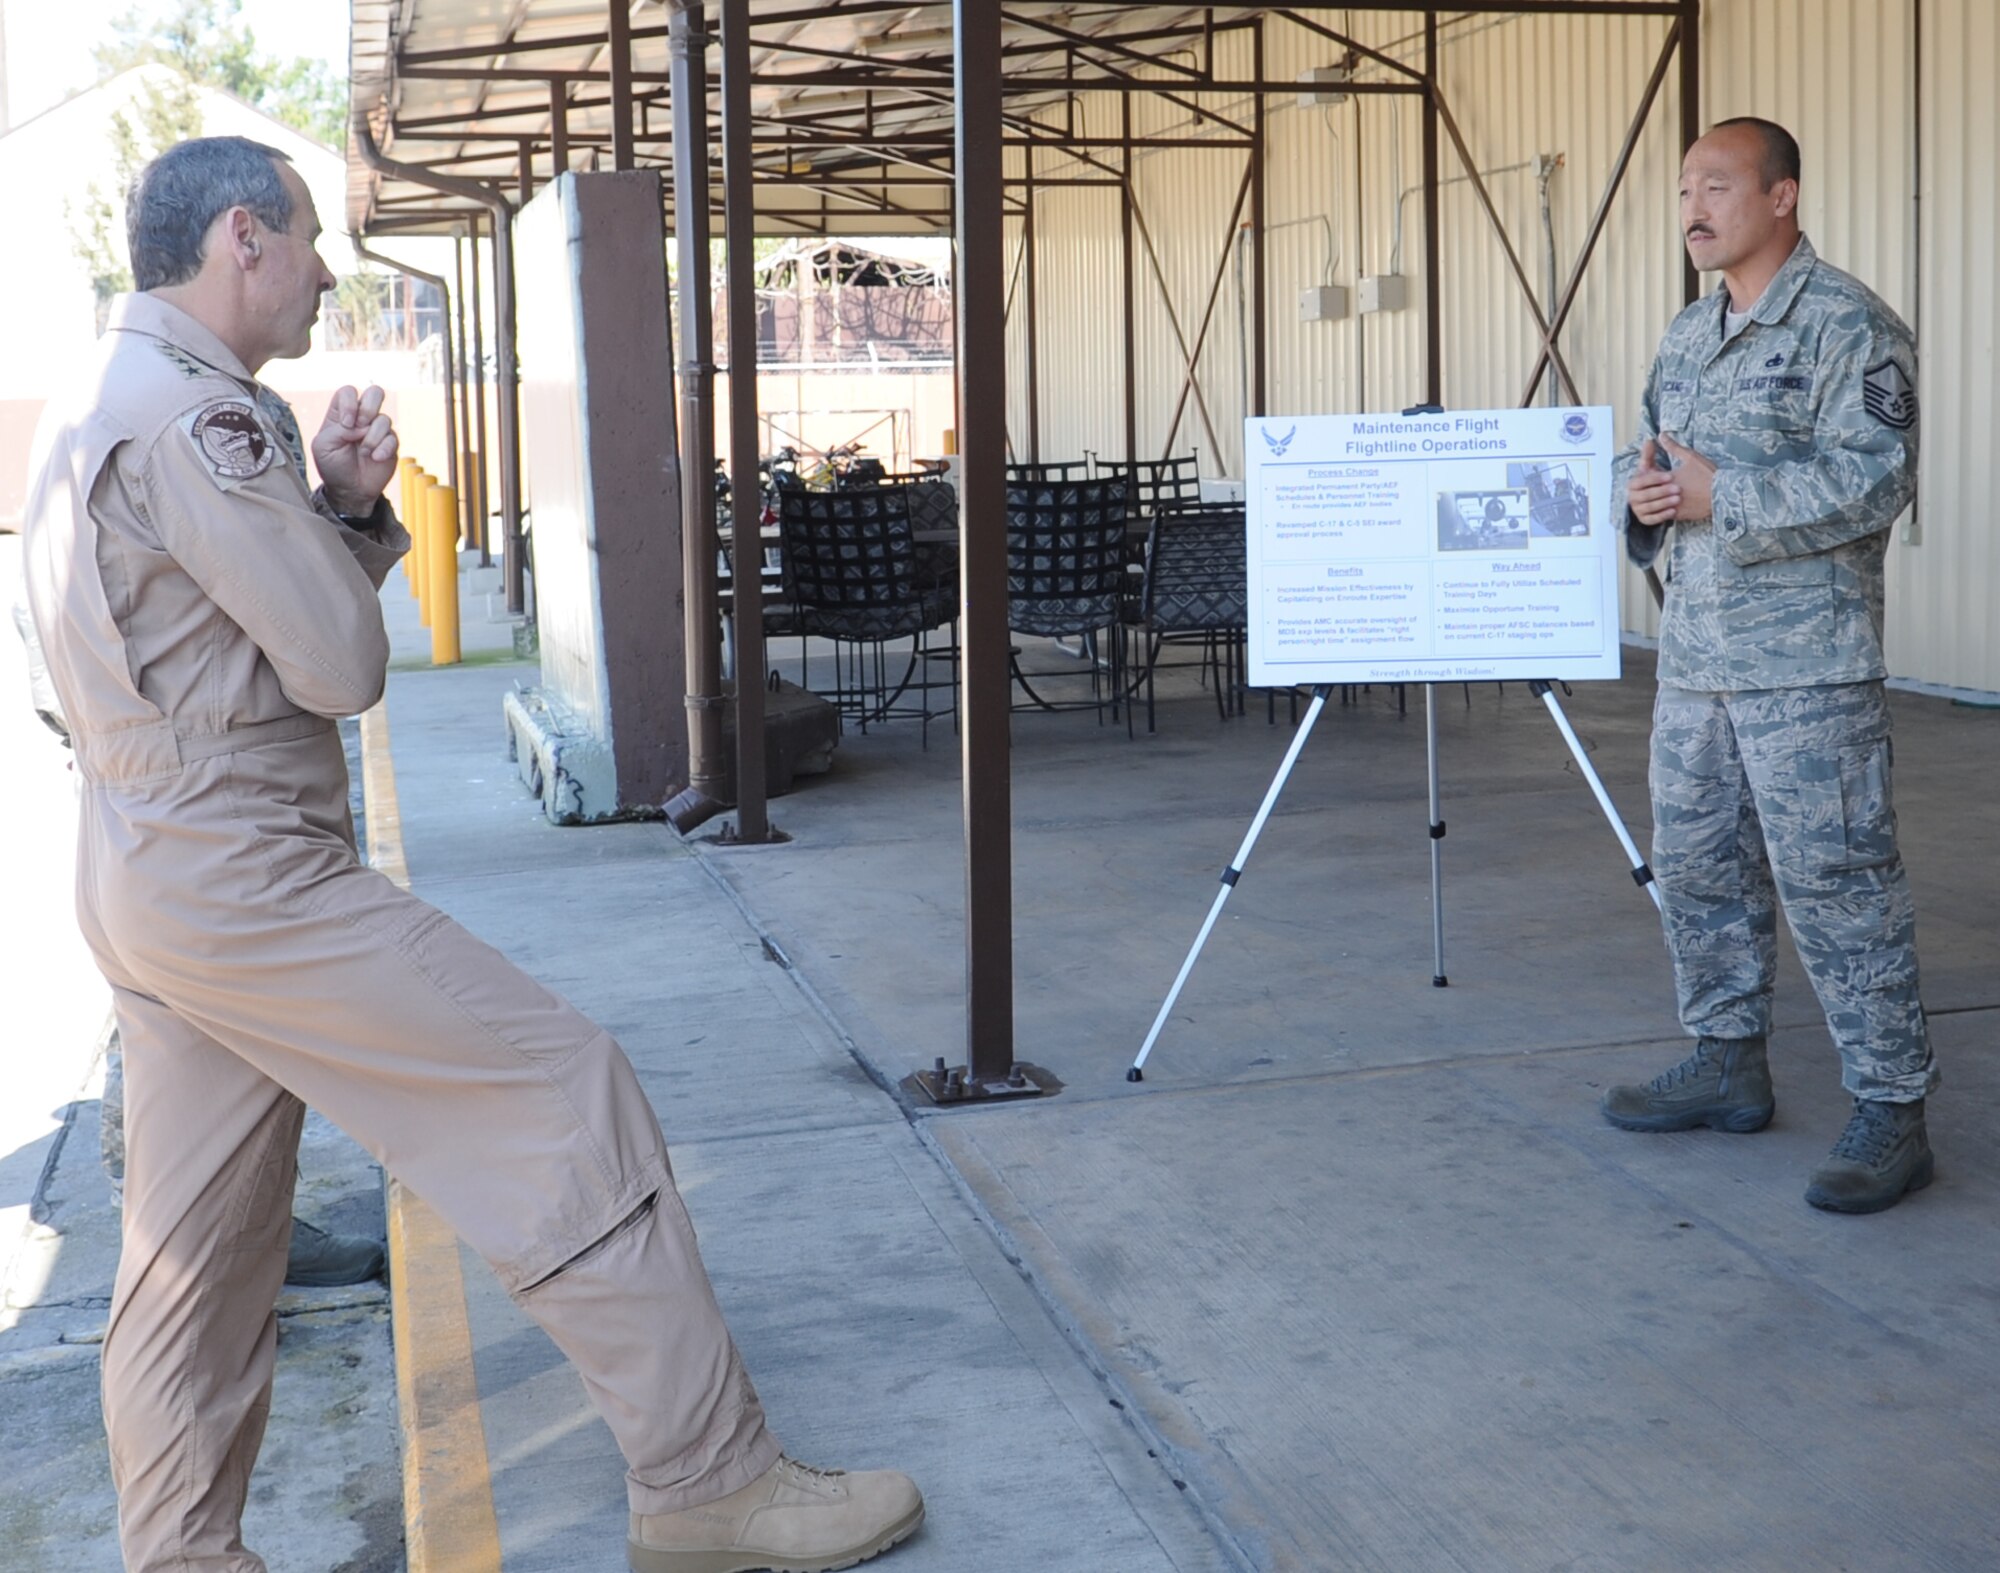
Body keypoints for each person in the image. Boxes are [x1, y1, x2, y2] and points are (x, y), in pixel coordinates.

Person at [21, 135, 921, 1572]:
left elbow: (200, 642)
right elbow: (333, 662)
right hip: (244, 870)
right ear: (241, 238)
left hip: (142, 864)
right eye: (310, 238)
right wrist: (340, 544)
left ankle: (182, 1554)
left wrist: (342, 516)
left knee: (194, 1251)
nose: (326, 268)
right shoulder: (201, 420)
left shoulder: (92, 400)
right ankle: (705, 1479)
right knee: (562, 1092)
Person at [1603, 117, 1936, 1215]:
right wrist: (1645, 501)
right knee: (1697, 873)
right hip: (1695, 664)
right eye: (1683, 187)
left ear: (1780, 196)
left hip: (1806, 672)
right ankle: (1725, 1059)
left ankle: (1890, 1109)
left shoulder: (1849, 326)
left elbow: (1873, 480)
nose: (1692, 206)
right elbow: (1655, 464)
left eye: (1716, 185)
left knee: (1838, 889)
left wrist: (1718, 497)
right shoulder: (1687, 337)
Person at [10, 601, 387, 1287]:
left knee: (196, 1002)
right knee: (183, 1005)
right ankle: (195, 1243)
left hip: (162, 736)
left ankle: (223, 1234)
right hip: (157, 749)